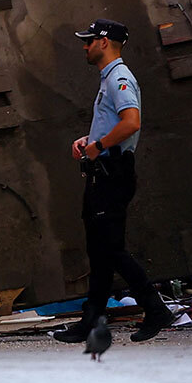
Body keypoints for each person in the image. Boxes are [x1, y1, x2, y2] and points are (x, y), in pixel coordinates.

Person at [53, 18, 173, 345]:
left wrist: (100, 145)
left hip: (112, 174)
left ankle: (155, 308)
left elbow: (131, 122)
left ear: (104, 42)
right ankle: (91, 321)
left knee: (111, 249)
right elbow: (114, 124)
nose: (85, 46)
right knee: (99, 251)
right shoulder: (108, 79)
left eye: (89, 41)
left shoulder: (119, 78)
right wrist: (90, 140)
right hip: (103, 173)